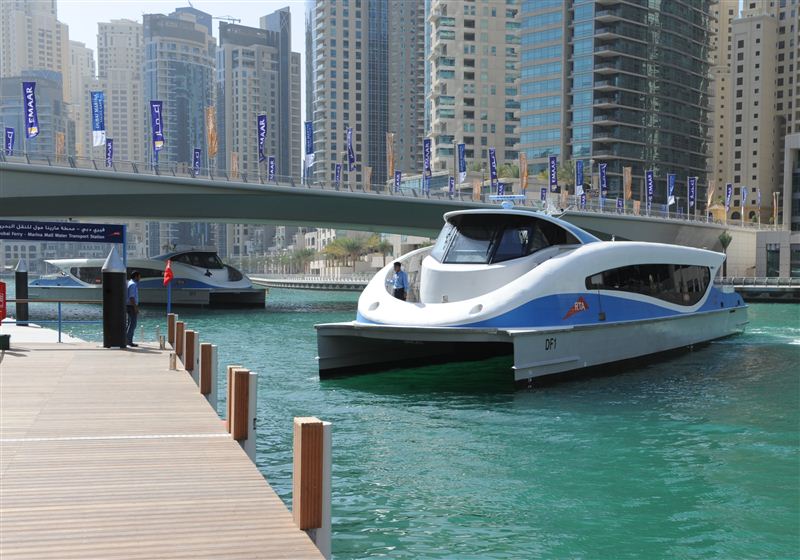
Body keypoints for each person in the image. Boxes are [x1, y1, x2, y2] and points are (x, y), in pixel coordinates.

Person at [126, 271, 141, 347]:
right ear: (136, 276)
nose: (140, 278)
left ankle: (126, 340)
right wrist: (135, 308)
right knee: (133, 324)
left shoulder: (129, 283)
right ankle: (128, 341)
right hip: (131, 306)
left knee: (129, 323)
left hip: (128, 306)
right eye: (139, 276)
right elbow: (131, 297)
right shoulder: (133, 284)